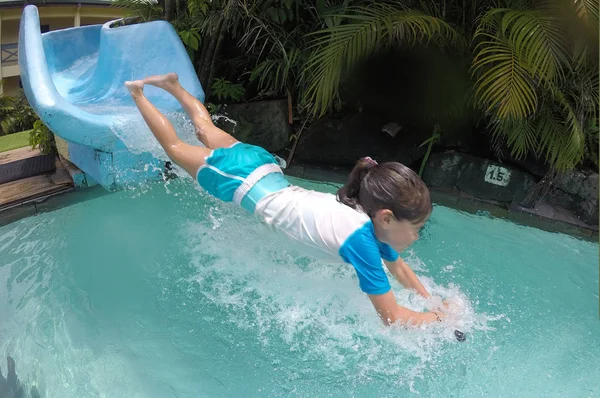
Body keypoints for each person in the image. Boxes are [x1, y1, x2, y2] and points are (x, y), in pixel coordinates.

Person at [125, 73, 447, 326]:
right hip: (243, 181)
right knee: (177, 148)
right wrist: (438, 320)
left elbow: (401, 270)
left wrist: (430, 301)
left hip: (263, 166)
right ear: (387, 217)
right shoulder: (361, 240)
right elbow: (391, 318)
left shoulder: (370, 216)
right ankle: (138, 93)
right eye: (416, 227)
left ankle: (173, 85)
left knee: (206, 128)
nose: (417, 236)